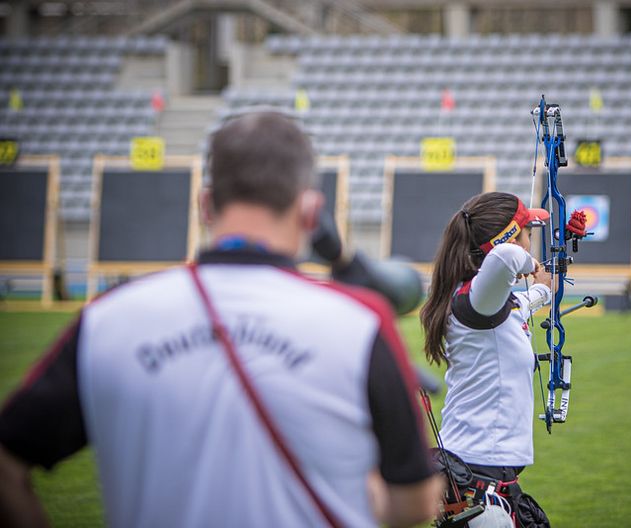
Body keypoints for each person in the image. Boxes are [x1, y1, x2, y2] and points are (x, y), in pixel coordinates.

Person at [0, 111, 442, 528]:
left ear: (205, 205)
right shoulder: (359, 321)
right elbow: (416, 503)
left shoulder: (108, 319)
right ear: (311, 212)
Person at [419, 192, 554, 527]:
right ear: (508, 236)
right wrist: (533, 264)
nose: (529, 241)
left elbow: (519, 305)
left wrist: (544, 289)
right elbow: (507, 256)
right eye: (527, 232)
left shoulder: (482, 302)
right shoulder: (476, 300)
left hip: (480, 468)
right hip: (478, 473)